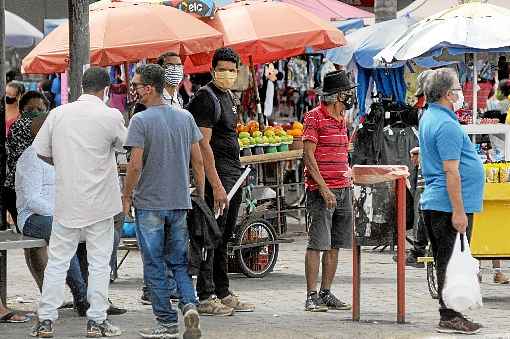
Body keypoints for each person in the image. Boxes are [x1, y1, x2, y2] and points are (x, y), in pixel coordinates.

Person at [31, 67, 126, 338]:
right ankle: (96, 321)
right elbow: (125, 144)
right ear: (106, 90)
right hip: (101, 203)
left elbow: (41, 152)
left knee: (57, 262)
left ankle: (46, 321)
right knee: (98, 263)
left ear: (79, 87)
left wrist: (65, 164)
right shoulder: (111, 115)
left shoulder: (58, 114)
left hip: (67, 201)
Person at [123, 64, 204, 339]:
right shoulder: (185, 118)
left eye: (136, 85)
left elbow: (134, 166)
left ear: (149, 87)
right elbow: (199, 160)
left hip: (149, 204)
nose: (133, 89)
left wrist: (126, 197)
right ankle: (189, 304)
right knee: (179, 262)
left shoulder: (140, 121)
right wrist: (200, 193)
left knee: (155, 264)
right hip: (180, 201)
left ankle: (167, 321)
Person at [187, 47, 255, 316]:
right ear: (213, 69)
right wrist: (214, 185)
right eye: (222, 69)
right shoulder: (206, 98)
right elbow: (203, 147)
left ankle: (222, 291)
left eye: (232, 70)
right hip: (217, 178)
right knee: (210, 235)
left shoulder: (229, 97)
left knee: (224, 236)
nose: (227, 74)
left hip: (233, 175)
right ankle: (204, 296)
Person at [420, 68, 483, 334]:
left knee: (446, 258)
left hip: (441, 203)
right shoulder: (445, 124)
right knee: (448, 260)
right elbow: (451, 170)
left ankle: (452, 312)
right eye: (458, 87)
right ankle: (450, 315)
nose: (462, 91)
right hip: (448, 205)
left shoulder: (432, 116)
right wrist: (458, 211)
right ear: (448, 94)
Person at [16, 114, 88, 315]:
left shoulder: (61, 156)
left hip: (60, 214)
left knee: (95, 229)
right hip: (33, 218)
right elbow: (32, 199)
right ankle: (82, 296)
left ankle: (91, 293)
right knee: (64, 232)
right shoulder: (31, 157)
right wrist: (61, 215)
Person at [302, 70, 354, 312]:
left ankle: (326, 292)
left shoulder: (343, 118)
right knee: (317, 243)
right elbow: (308, 156)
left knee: (335, 244)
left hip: (344, 188)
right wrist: (323, 188)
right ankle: (311, 295)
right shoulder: (314, 118)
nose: (350, 96)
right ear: (336, 95)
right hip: (322, 191)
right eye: (347, 92)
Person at [4, 91, 48, 232]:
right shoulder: (19, 126)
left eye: (40, 110)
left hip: (39, 188)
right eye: (30, 110)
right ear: (22, 111)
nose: (35, 113)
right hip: (17, 191)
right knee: (32, 239)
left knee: (36, 240)